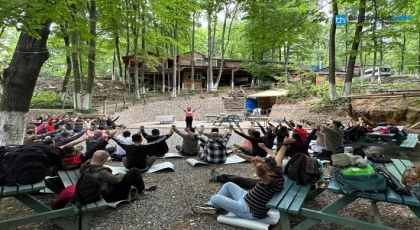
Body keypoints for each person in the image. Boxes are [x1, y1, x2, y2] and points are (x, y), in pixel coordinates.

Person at [192, 143, 285, 219]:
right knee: (228, 184)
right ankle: (211, 206)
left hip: (248, 210)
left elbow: (261, 174)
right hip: (246, 198)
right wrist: (285, 143)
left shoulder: (272, 183)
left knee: (215, 198)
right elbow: (279, 158)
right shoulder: (278, 173)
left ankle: (212, 205)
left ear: (266, 170)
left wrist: (258, 167)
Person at [80, 150, 158, 202]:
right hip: (110, 195)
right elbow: (116, 180)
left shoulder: (84, 166)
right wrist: (121, 174)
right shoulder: (102, 172)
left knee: (130, 175)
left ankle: (139, 188)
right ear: (104, 160)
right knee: (134, 170)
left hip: (99, 191)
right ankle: (142, 190)